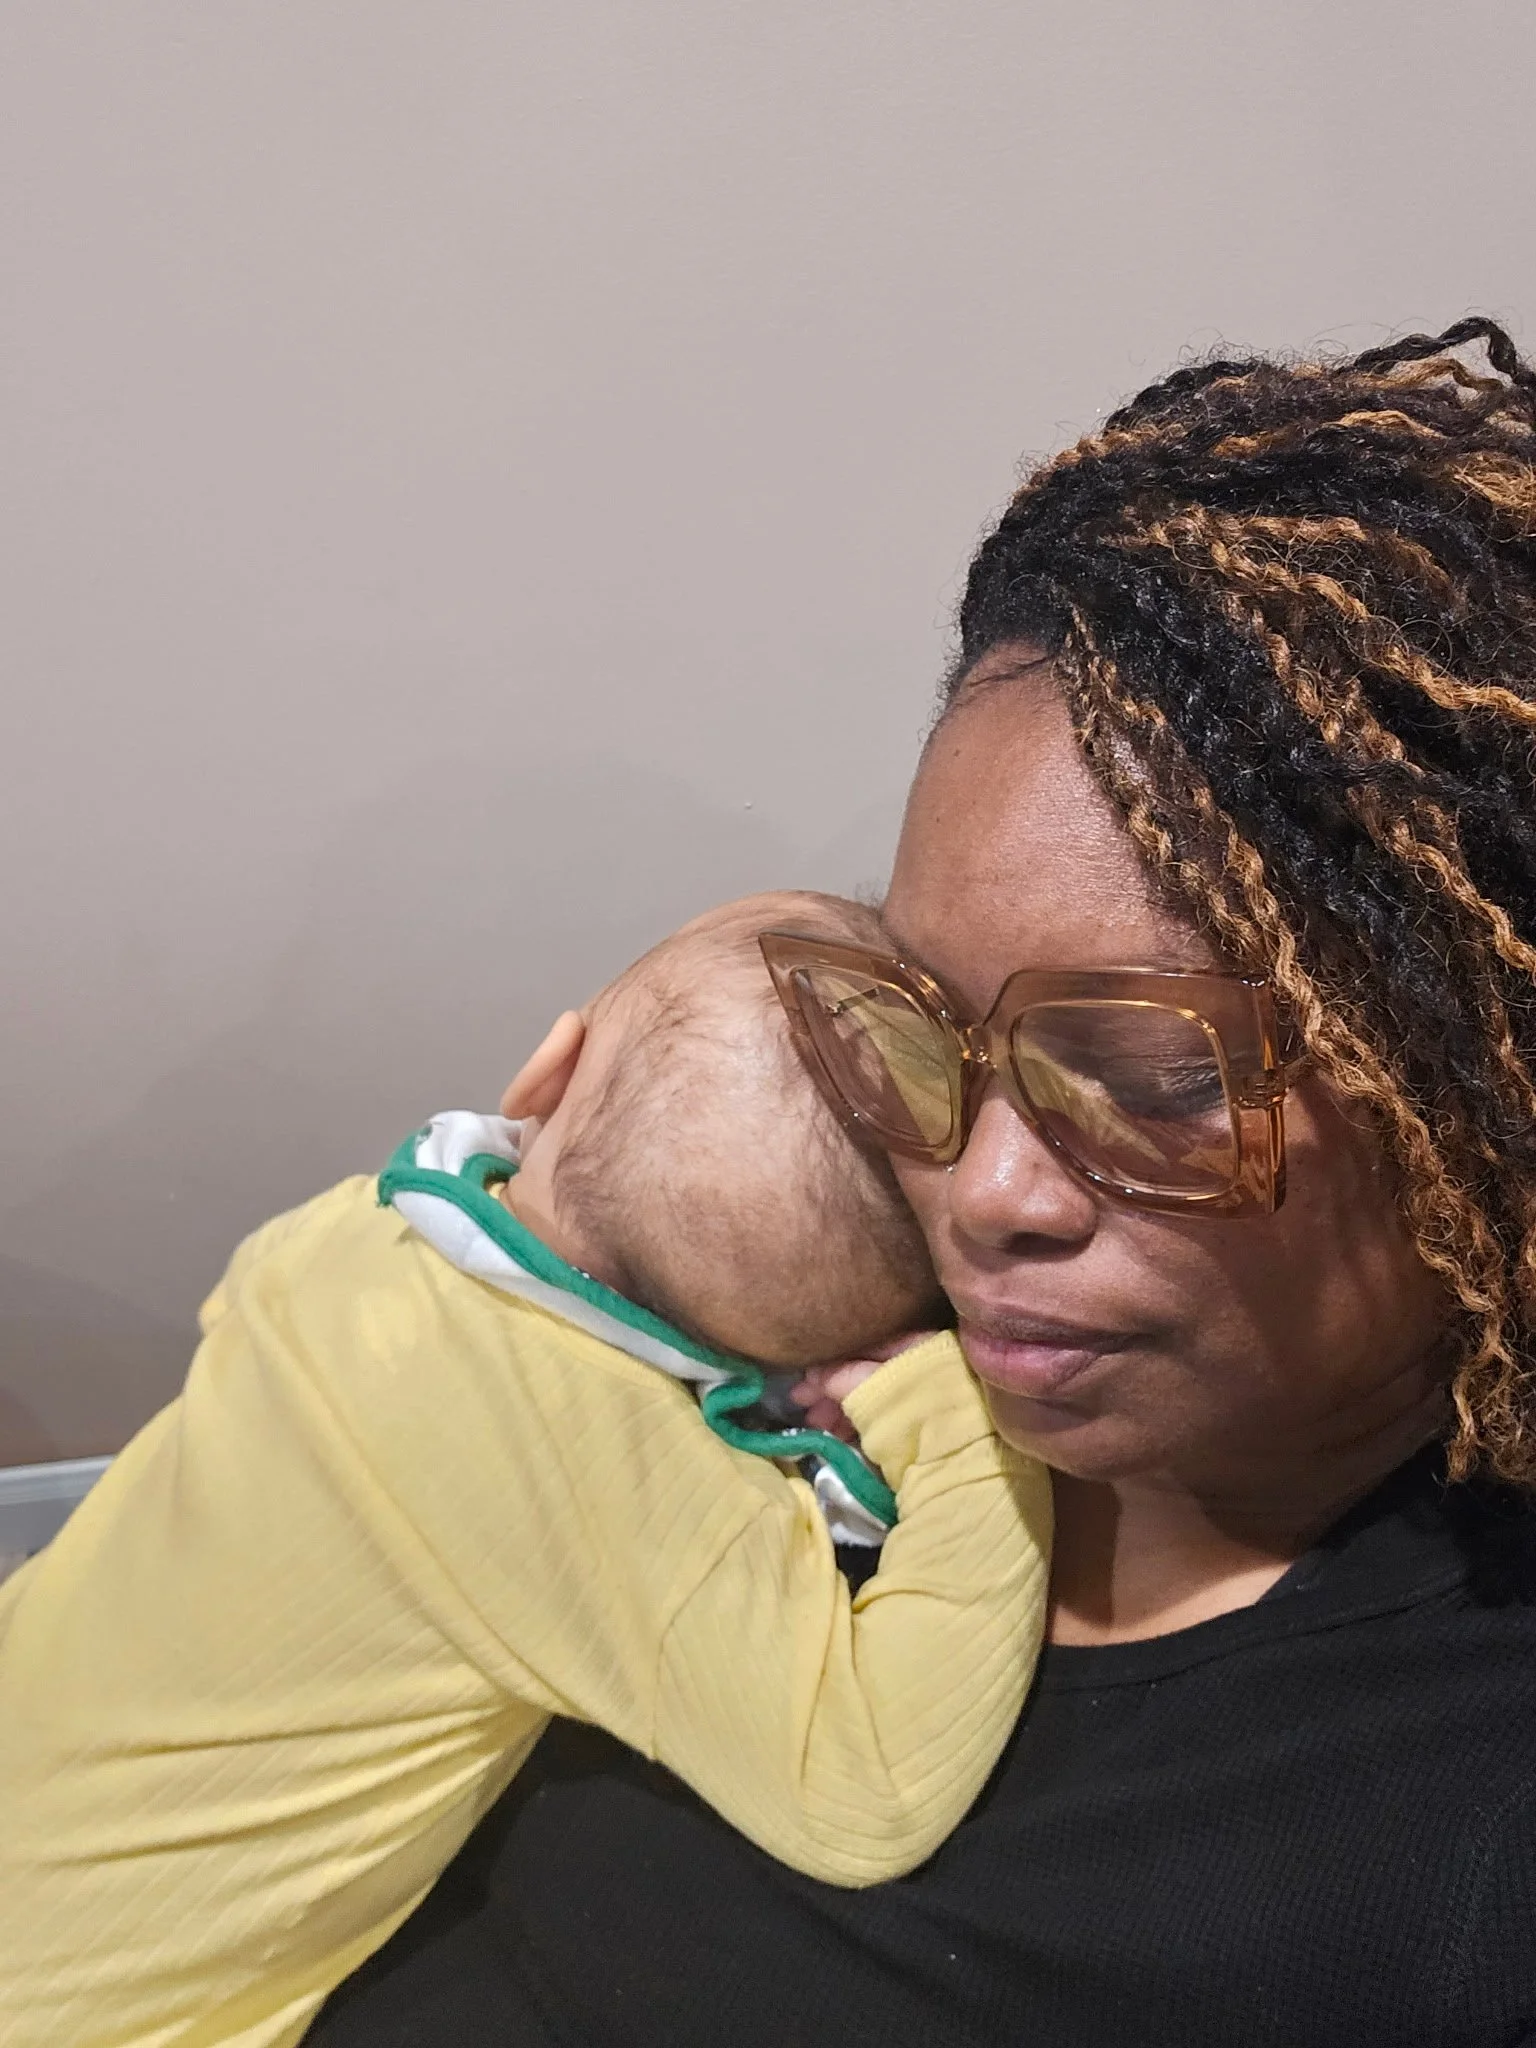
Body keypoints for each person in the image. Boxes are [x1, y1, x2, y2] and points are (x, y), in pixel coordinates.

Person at [300, 316, 1536, 2048]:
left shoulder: (1460, 1841)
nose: (980, 1186)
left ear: (1470, 1099)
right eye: (923, 1024)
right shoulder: (798, 1333)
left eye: (1152, 1070)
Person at [0, 892, 1050, 2048]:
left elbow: (234, 1318)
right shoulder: (636, 1498)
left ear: (547, 1070)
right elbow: (870, 1793)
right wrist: (956, 1417)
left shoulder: (356, 1228)